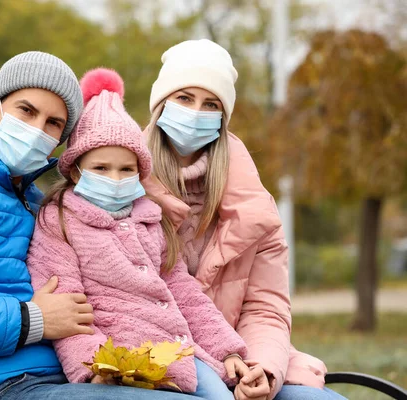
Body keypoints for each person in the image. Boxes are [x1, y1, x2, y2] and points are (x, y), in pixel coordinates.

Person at [0, 51, 199, 400]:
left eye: (53, 123)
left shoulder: (33, 199)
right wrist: (32, 319)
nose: (36, 129)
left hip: (60, 377)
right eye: (26, 110)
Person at [26, 68, 262, 399]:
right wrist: (94, 367)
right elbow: (66, 307)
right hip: (122, 364)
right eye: (101, 168)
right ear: (76, 172)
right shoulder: (59, 223)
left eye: (126, 169)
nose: (115, 178)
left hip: (180, 354)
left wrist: (228, 351)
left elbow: (185, 293)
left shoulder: (151, 219)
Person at [142, 39, 348, 400]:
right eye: (184, 98)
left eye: (211, 105)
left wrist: (262, 369)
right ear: (161, 105)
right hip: (157, 360)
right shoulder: (119, 182)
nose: (195, 113)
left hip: (242, 358)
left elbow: (266, 307)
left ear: (222, 118)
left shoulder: (256, 209)